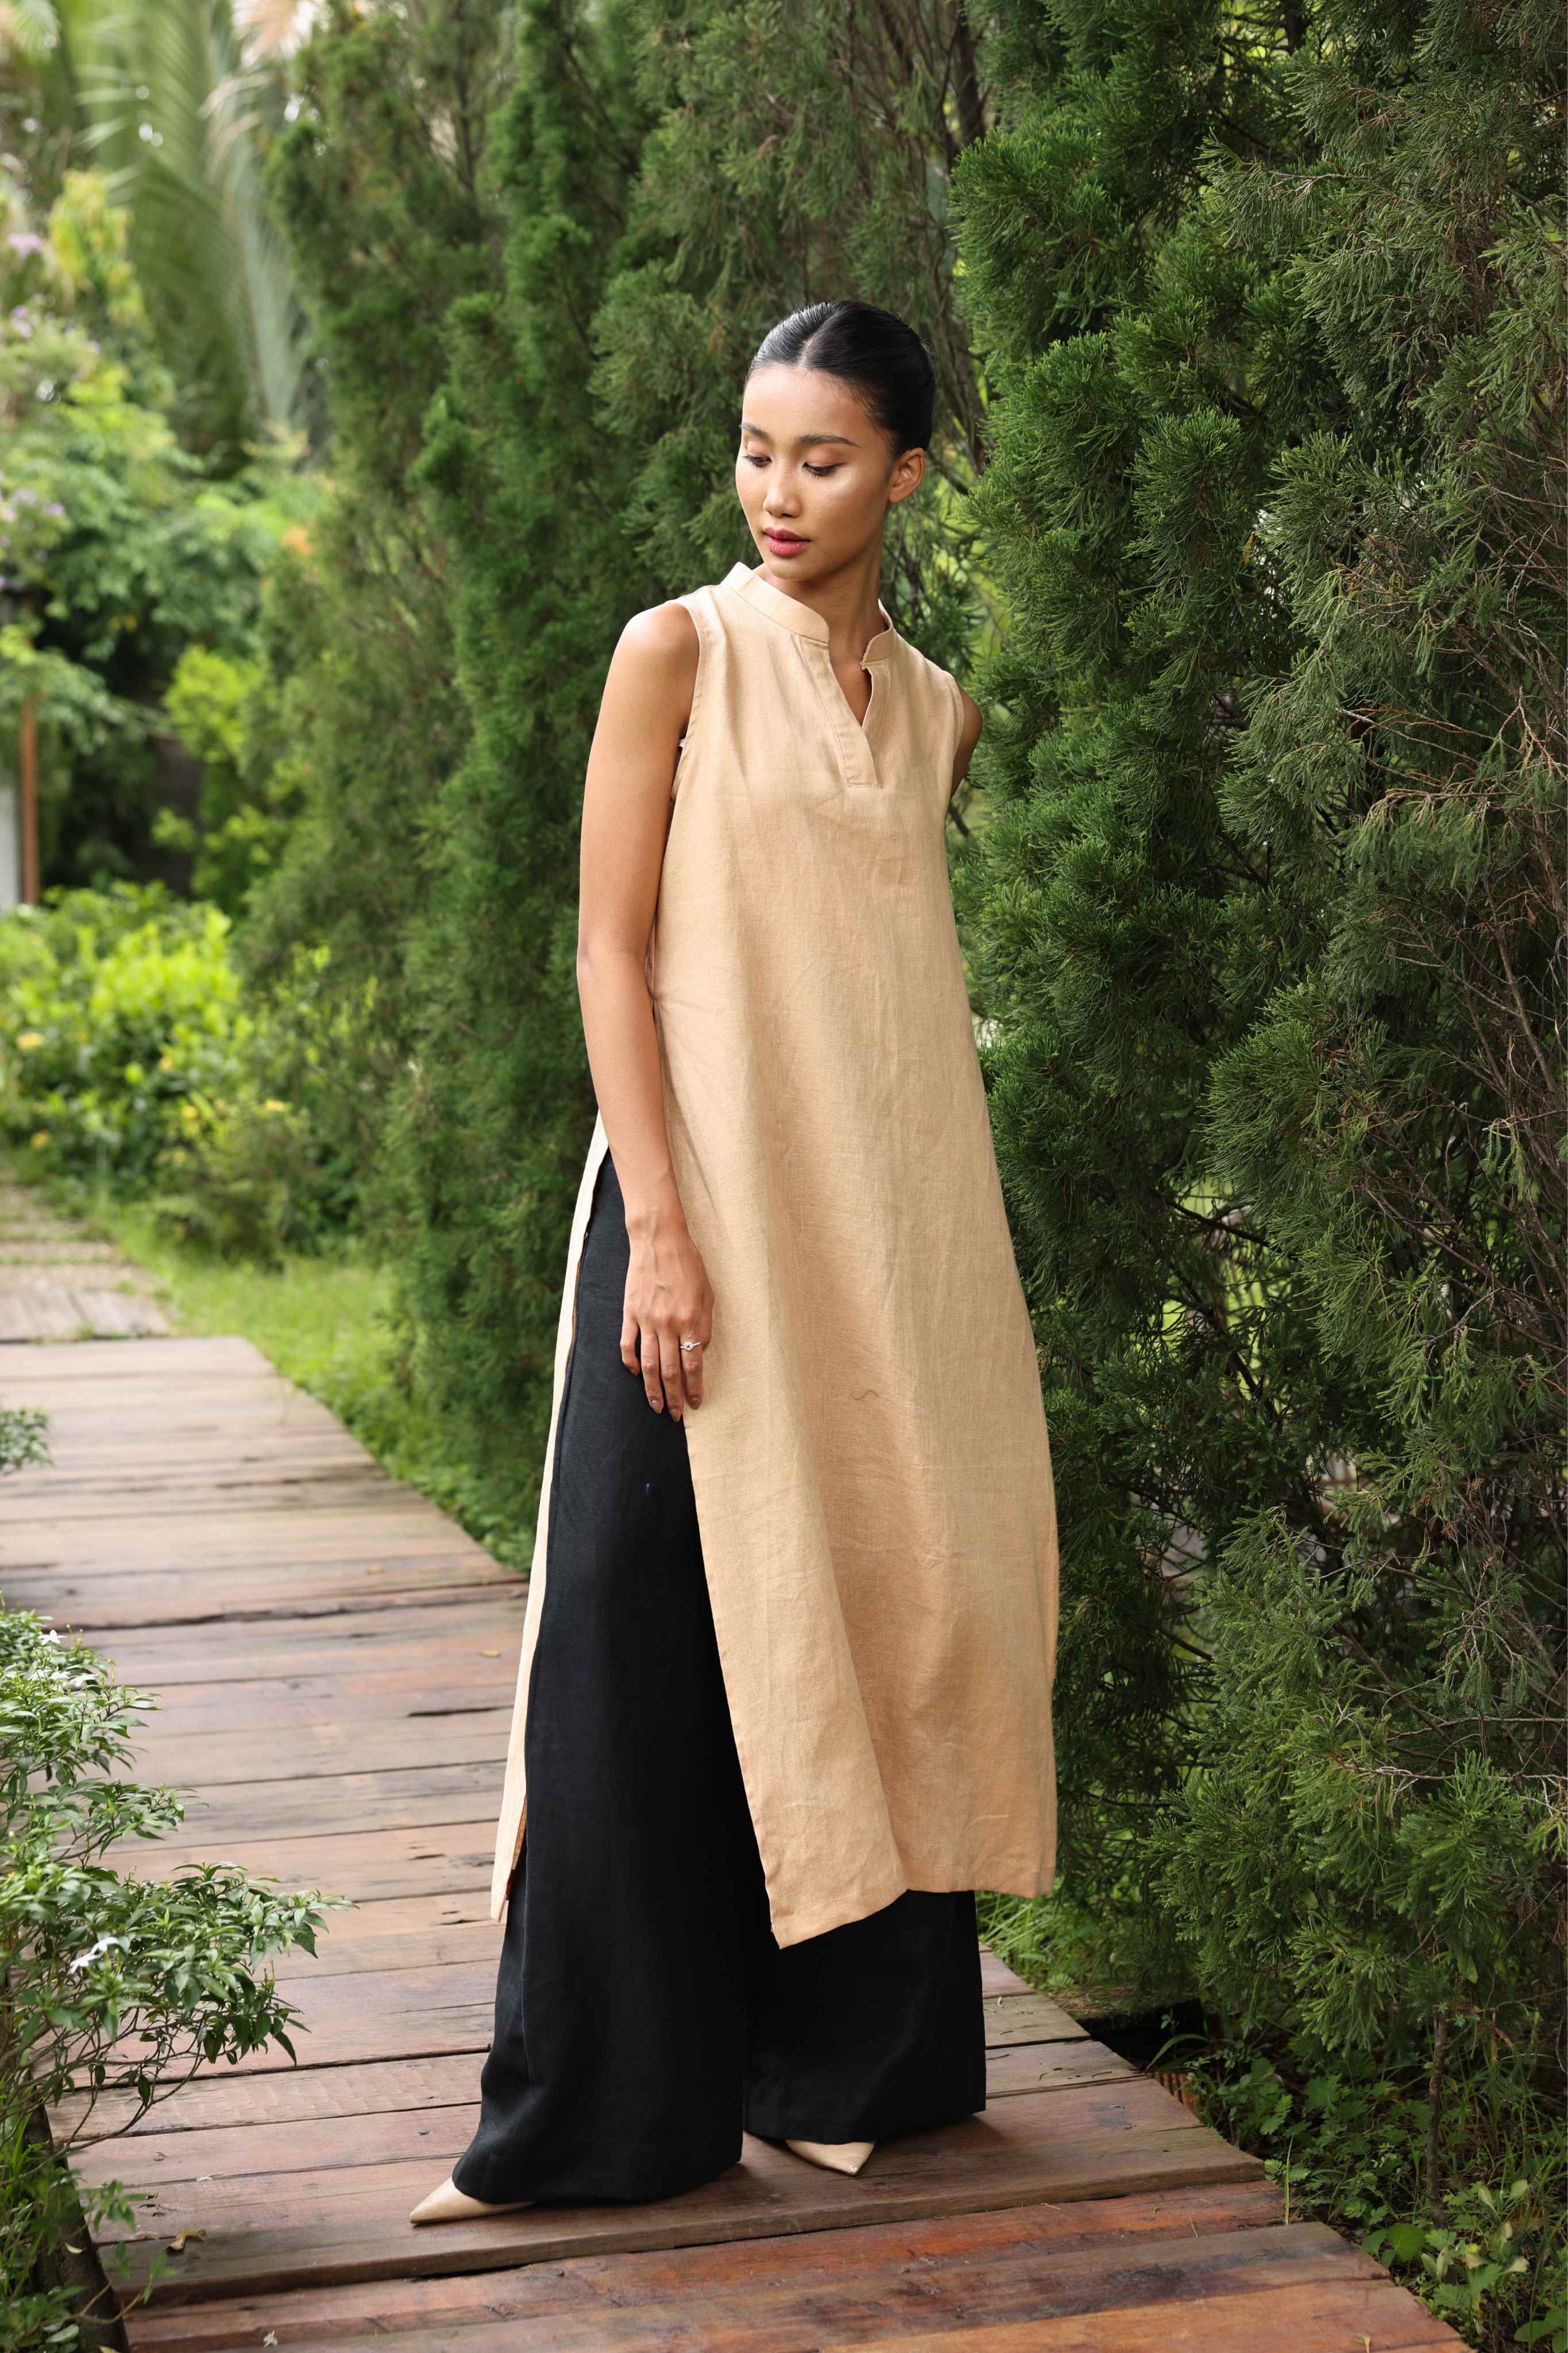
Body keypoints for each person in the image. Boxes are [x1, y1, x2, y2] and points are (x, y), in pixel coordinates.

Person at [410, 298, 1059, 2225]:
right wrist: (665, 1235)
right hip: (689, 1210)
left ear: (908, 474)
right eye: (757, 450)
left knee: (882, 1596)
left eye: (824, 457)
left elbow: (873, 997)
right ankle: (599, 2113)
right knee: (623, 1631)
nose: (778, 492)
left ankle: (855, 2059)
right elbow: (613, 950)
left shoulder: (936, 709)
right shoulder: (674, 652)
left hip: (891, 1232)